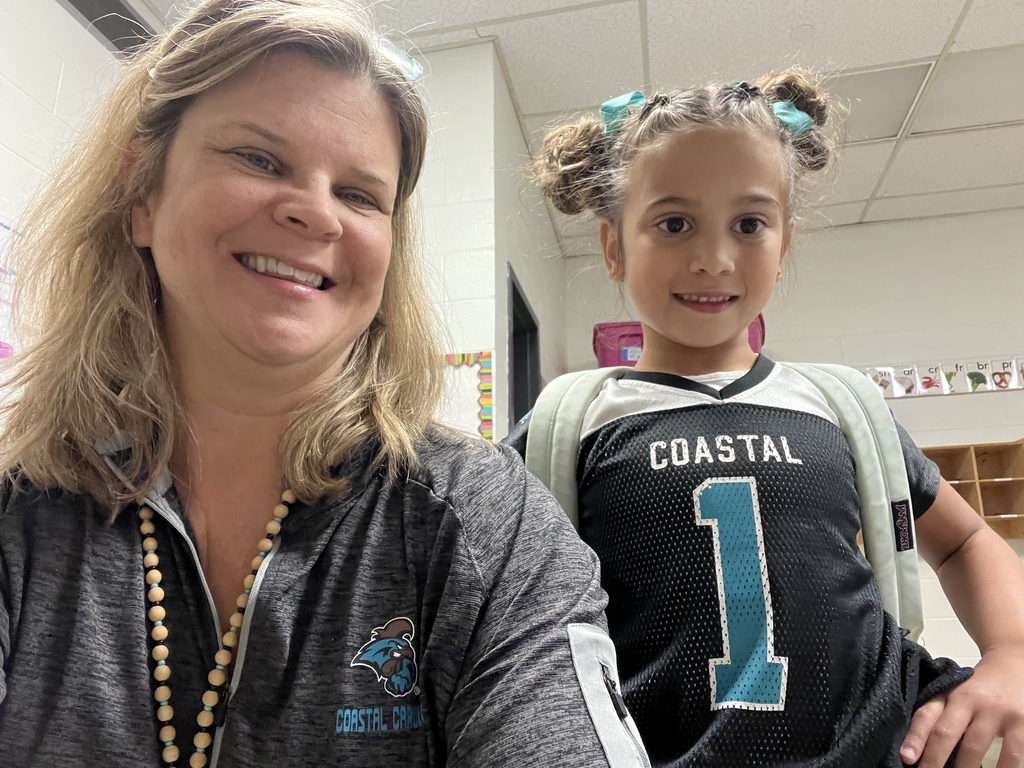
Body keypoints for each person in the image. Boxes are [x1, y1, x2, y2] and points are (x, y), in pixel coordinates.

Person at [0, 2, 650, 766]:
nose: (314, 213)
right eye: (260, 159)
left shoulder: (483, 524)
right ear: (142, 193)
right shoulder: (22, 513)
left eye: (359, 194)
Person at [505, 72, 1024, 767]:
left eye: (749, 224)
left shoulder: (841, 406)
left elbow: (964, 543)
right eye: (673, 222)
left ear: (783, 246)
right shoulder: (570, 423)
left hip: (885, 744)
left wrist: (1012, 655)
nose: (713, 258)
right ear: (613, 247)